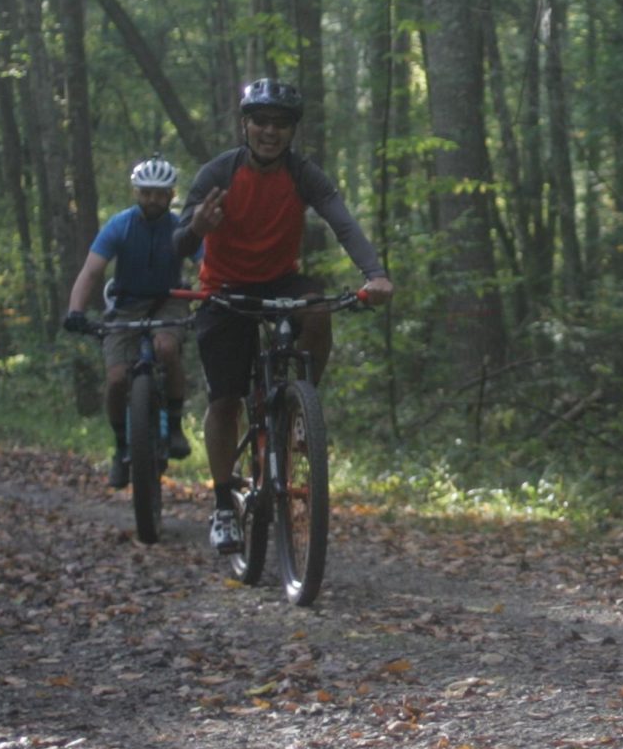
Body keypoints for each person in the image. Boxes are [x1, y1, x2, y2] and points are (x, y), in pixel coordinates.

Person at [178, 80, 394, 553]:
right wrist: (196, 227)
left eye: (281, 124)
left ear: (292, 131)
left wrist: (374, 274)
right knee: (225, 400)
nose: (270, 132)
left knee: (318, 310)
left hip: (279, 279)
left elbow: (343, 222)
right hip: (224, 288)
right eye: (261, 122)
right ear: (245, 125)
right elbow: (176, 242)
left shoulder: (302, 174)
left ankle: (301, 408)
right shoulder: (218, 174)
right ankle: (221, 505)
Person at [64, 157, 198, 488]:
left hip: (169, 302)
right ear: (136, 192)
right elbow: (92, 270)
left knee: (166, 347)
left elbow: (206, 263)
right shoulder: (119, 225)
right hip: (125, 306)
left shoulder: (181, 227)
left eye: (160, 194)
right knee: (116, 378)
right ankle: (122, 445)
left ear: (170, 195)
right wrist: (76, 311)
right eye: (146, 193)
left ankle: (176, 425)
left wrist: (214, 296)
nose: (152, 200)